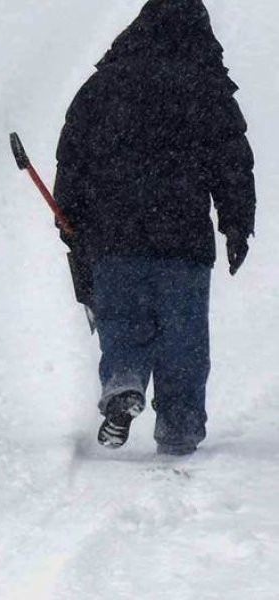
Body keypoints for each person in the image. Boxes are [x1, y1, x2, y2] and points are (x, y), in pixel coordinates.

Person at [54, 0, 255, 456]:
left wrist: (70, 219)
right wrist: (237, 224)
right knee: (183, 336)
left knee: (122, 320)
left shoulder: (103, 87)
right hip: (183, 238)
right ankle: (181, 424)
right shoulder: (207, 90)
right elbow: (232, 164)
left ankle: (124, 378)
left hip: (116, 235)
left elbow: (74, 157)